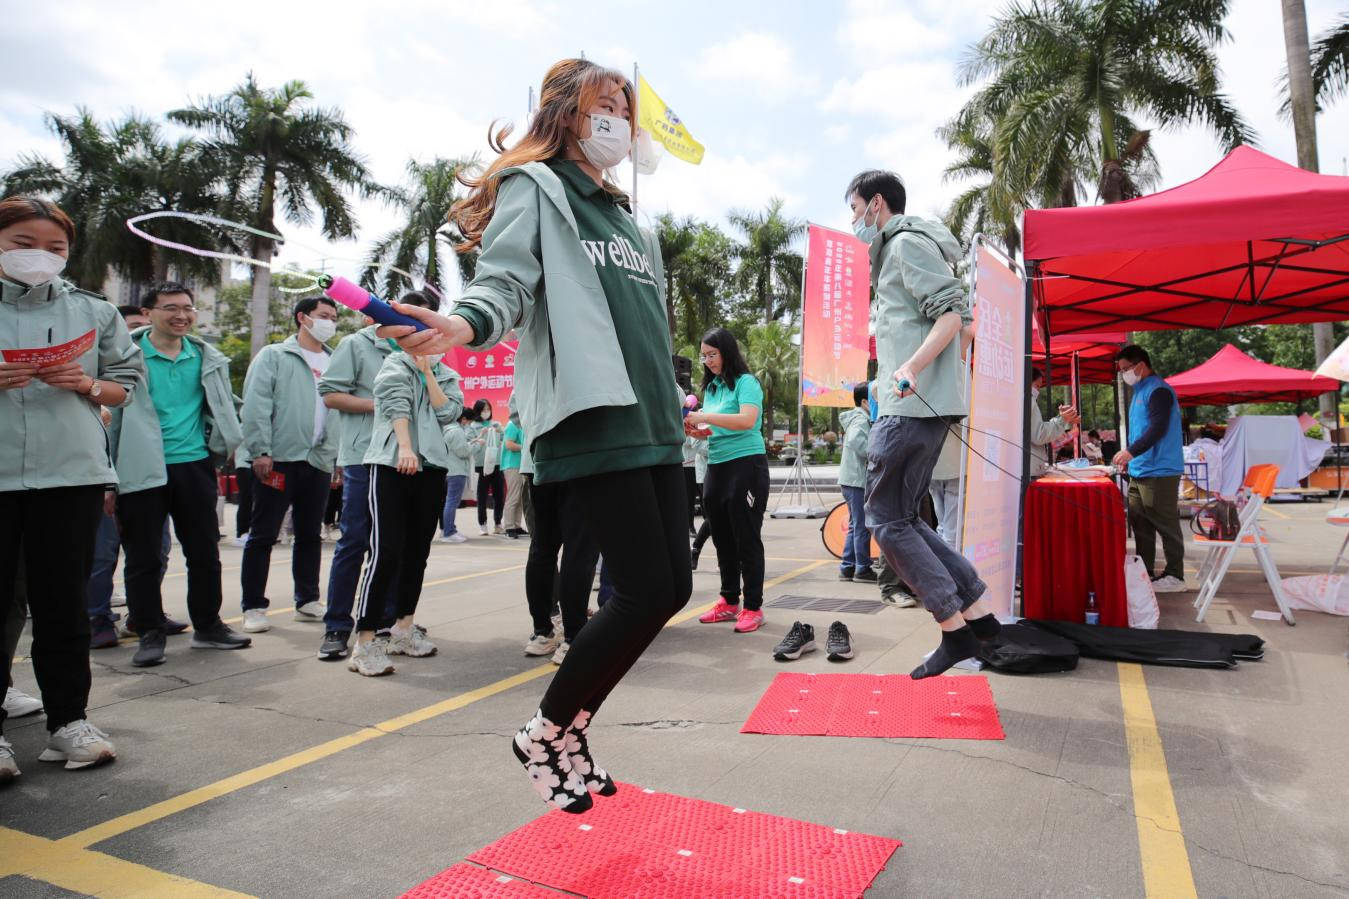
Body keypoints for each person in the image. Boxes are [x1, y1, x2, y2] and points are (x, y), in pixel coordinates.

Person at [380, 58, 689, 814]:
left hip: (653, 418)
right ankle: (544, 731)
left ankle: (570, 727)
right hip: (593, 416)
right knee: (642, 586)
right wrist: (462, 322)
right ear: (564, 115)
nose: (616, 115)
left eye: (623, 103)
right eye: (601, 104)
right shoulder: (537, 187)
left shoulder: (624, 217)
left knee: (670, 588)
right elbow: (505, 281)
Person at [0, 196, 145, 779]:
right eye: (22, 245)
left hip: (73, 473)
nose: (40, 257)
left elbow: (126, 384)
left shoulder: (94, 312)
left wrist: (86, 381)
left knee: (63, 604)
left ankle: (68, 722)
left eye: (55, 248)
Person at [845, 169, 1002, 679]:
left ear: (876, 205)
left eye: (855, 210)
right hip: (922, 404)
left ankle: (954, 630)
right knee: (905, 517)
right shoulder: (907, 247)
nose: (853, 222)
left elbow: (954, 316)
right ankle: (979, 617)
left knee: (886, 521)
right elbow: (963, 321)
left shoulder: (907, 244)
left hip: (909, 405)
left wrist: (910, 368)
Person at [109, 282, 251, 667]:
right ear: (150, 312)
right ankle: (149, 632)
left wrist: (224, 440)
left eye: (188, 308)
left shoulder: (207, 356)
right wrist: (108, 474)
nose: (181, 315)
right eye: (170, 308)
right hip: (140, 466)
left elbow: (223, 404)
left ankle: (208, 626)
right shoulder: (127, 357)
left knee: (204, 552)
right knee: (143, 557)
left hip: (194, 465)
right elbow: (111, 420)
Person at [347, 313, 464, 676]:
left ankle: (403, 628)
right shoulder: (392, 365)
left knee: (417, 553)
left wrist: (428, 371)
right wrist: (405, 447)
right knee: (385, 552)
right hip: (392, 464)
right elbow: (395, 404)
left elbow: (450, 412)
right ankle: (365, 642)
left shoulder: (447, 373)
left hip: (433, 468)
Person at [238, 295, 340, 633]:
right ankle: (253, 605)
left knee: (310, 533)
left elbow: (336, 410)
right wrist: (260, 450)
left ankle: (307, 599)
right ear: (302, 318)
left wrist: (334, 456)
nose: (330, 322)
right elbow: (256, 405)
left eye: (334, 317)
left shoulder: (333, 360)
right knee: (263, 534)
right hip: (278, 459)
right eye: (323, 315)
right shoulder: (274, 356)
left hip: (318, 459)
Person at [314, 309, 395, 660]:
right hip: (364, 456)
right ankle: (337, 625)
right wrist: (383, 406)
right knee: (355, 540)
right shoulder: (355, 345)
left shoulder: (415, 350)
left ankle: (384, 622)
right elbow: (331, 394)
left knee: (392, 544)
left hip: (403, 458)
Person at [686, 328, 770, 634]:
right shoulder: (712, 389)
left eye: (712, 355)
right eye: (704, 356)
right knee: (721, 538)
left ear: (727, 353)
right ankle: (729, 600)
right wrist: (699, 429)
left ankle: (753, 606)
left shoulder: (747, 383)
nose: (707, 361)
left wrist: (706, 416)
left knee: (746, 538)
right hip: (717, 466)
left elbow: (747, 420)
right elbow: (717, 427)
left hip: (746, 466)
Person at [1114, 345, 1186, 593]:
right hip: (1139, 470)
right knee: (1140, 522)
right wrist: (1130, 460)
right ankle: (1144, 572)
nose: (1123, 374)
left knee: (1165, 522)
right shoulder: (1139, 391)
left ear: (1140, 366)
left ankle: (1176, 576)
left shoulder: (1159, 391)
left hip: (1160, 470)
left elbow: (1157, 429)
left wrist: (1130, 452)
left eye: (1126, 369)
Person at [838, 382, 876, 581]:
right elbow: (855, 441)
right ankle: (862, 568)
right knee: (861, 526)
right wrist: (874, 453)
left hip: (851, 480)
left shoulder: (859, 418)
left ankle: (848, 566)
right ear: (864, 402)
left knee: (856, 525)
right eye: (874, 397)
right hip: (856, 480)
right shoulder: (861, 419)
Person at [1028, 368, 1081, 474]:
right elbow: (1039, 435)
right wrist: (1062, 420)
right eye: (1037, 386)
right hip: (1029, 468)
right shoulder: (1029, 400)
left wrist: (1061, 418)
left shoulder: (1022, 399)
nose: (1038, 390)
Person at [439, 408, 476, 543]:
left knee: (448, 501)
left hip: (448, 470)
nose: (469, 424)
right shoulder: (457, 431)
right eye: (469, 421)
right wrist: (475, 446)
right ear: (464, 419)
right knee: (452, 502)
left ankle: (447, 529)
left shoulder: (446, 429)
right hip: (457, 471)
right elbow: (463, 452)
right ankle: (449, 532)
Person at [471, 400, 506, 535]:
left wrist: (500, 430)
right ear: (478, 411)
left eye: (488, 409)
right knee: (482, 495)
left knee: (499, 495)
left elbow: (504, 437)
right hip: (482, 464)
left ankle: (498, 523)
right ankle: (482, 524)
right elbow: (470, 444)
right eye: (483, 410)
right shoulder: (473, 426)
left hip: (497, 463)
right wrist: (481, 435)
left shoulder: (495, 424)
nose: (486, 412)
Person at [500, 408, 527, 537]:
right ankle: (509, 527)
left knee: (521, 497)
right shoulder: (512, 424)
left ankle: (516, 525)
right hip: (512, 465)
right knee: (514, 496)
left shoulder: (523, 424)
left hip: (521, 465)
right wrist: (525, 448)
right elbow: (509, 444)